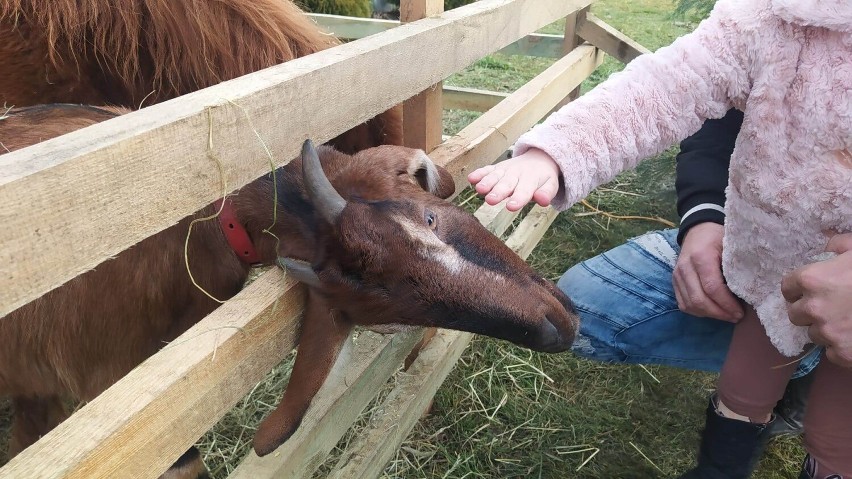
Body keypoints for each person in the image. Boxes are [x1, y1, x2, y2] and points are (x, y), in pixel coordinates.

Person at [468, 0, 852, 477]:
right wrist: (559, 149)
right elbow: (668, 84)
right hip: (770, 265)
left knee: (838, 428)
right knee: (745, 383)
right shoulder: (772, 16)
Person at [556, 108, 819, 439]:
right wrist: (705, 216)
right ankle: (797, 369)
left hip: (823, 263)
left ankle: (808, 376)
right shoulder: (781, 58)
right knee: (577, 308)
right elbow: (711, 118)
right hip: (752, 236)